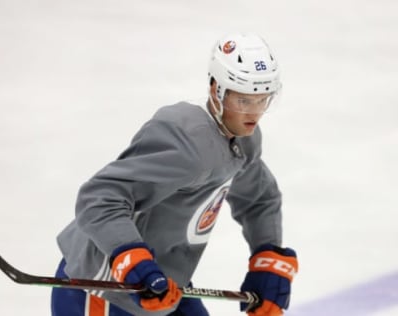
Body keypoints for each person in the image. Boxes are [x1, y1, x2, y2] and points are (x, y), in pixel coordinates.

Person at [51, 32, 299, 316]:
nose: (254, 113)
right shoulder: (184, 140)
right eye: (243, 100)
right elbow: (100, 197)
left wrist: (266, 256)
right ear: (216, 89)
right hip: (105, 289)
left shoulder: (243, 140)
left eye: (263, 99)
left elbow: (259, 198)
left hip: (164, 287)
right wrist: (132, 262)